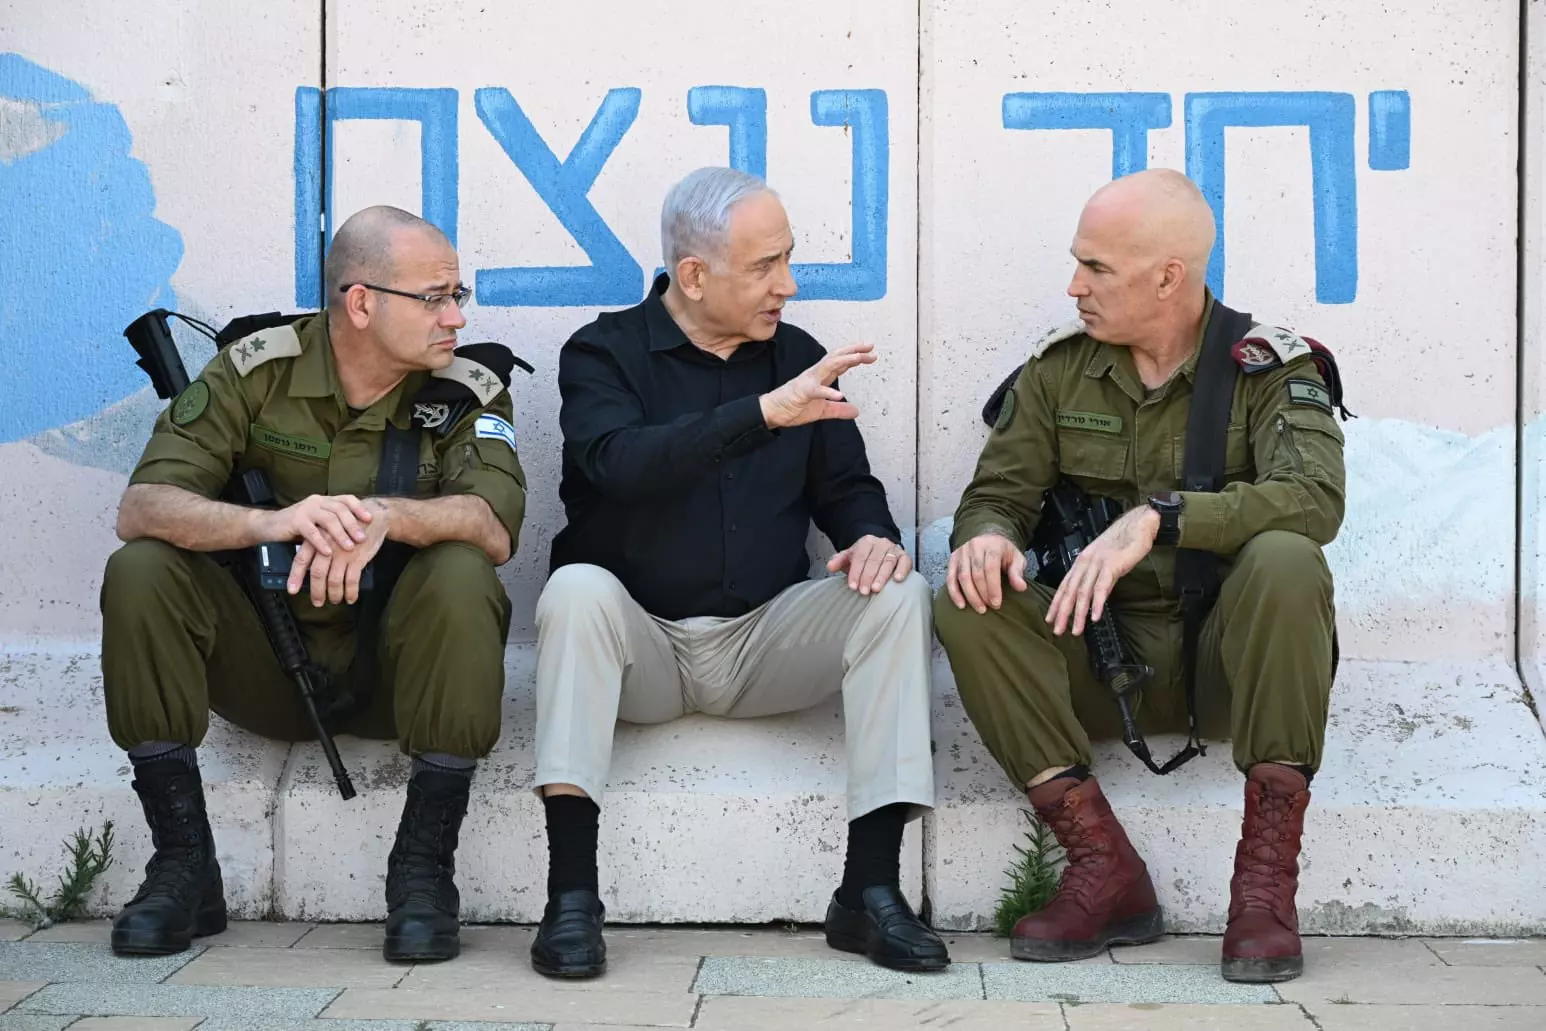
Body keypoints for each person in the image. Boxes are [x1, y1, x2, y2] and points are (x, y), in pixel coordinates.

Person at [527, 166, 947, 978]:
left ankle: (869, 891)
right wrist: (760, 415)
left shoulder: (797, 359)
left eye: (787, 260)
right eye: (765, 266)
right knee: (575, 590)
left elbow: (850, 489)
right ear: (693, 274)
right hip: (638, 650)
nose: (786, 285)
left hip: (762, 640)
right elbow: (617, 464)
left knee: (897, 592)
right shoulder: (602, 352)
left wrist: (871, 538)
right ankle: (571, 896)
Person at [933, 169, 1347, 984]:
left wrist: (1164, 515)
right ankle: (1104, 868)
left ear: (1168, 276)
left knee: (1289, 556)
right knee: (967, 599)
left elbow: (1315, 498)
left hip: (1230, 668)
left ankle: (1264, 890)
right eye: (1077, 264)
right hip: (1096, 660)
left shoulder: (1268, 368)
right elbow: (994, 498)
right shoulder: (1059, 372)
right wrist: (985, 539)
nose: (1074, 286)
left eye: (1097, 269)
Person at [100, 205, 527, 963]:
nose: (456, 316)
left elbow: (494, 526)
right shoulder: (257, 369)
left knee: (462, 567)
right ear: (360, 302)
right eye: (435, 297)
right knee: (143, 568)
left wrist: (386, 519)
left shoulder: (468, 387)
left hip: (399, 673)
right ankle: (183, 864)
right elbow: (142, 507)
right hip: (263, 662)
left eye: (460, 293)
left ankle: (423, 871)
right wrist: (276, 522)